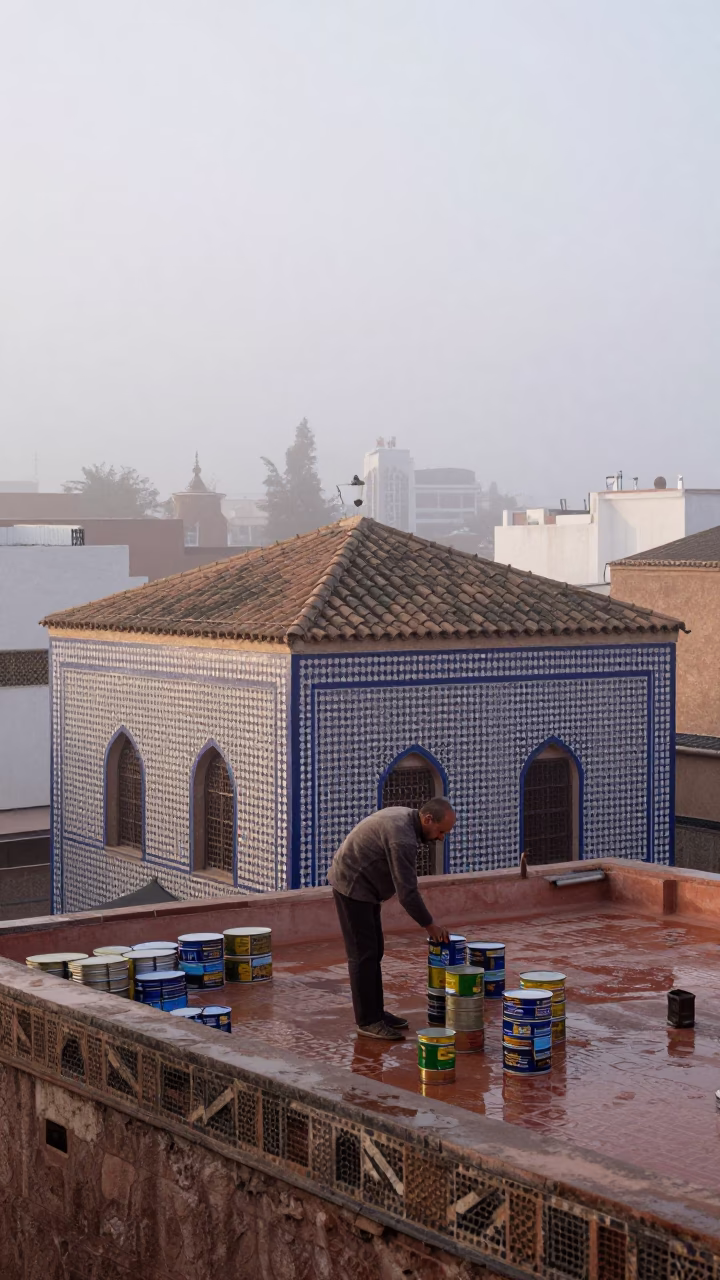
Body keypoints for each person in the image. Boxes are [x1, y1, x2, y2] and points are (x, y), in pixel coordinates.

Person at [328, 798, 456, 1040]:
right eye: (440, 831)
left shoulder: (408, 818)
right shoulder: (403, 838)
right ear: (428, 819)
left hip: (367, 887)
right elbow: (407, 892)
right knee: (363, 954)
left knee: (375, 951)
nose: (441, 838)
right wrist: (430, 926)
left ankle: (376, 1012)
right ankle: (368, 1022)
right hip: (352, 884)